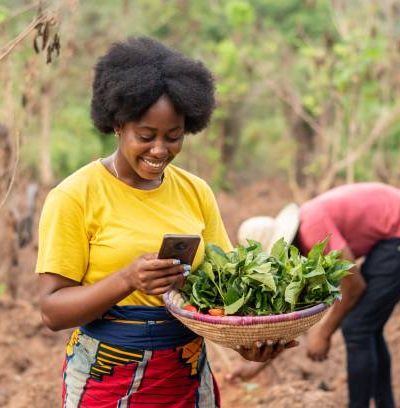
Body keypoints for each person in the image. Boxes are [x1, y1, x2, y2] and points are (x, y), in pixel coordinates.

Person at [36, 37, 289, 407]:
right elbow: (51, 310)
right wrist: (126, 279)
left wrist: (245, 343)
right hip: (107, 378)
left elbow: (223, 287)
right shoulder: (75, 195)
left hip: (185, 375)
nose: (160, 150)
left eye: (173, 137)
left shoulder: (195, 191)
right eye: (146, 136)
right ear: (117, 124)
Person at [230, 183, 400, 408]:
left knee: (357, 328)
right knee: (367, 328)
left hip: (395, 235)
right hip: (388, 238)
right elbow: (299, 311)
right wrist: (259, 364)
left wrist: (324, 334)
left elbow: (355, 286)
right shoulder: (304, 241)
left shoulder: (313, 230)